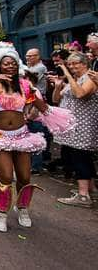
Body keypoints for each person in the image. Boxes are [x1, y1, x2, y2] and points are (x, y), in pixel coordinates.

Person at [0, 42, 74, 232]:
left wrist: (60, 118)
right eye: (6, 63)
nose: (10, 66)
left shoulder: (25, 85)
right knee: (5, 176)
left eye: (13, 62)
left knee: (25, 177)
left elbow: (43, 107)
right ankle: (1, 212)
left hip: (21, 136)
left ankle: (22, 208)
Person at [51, 52, 98, 207]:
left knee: (80, 159)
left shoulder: (90, 78)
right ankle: (90, 189)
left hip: (83, 127)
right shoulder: (75, 80)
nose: (71, 67)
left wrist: (66, 74)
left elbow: (80, 94)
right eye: (69, 64)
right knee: (80, 158)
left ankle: (83, 196)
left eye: (74, 63)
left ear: (85, 63)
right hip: (71, 127)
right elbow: (56, 100)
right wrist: (58, 86)